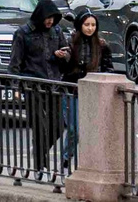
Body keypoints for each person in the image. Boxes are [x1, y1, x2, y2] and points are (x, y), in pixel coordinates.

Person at [11, 0, 66, 173]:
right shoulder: (23, 33)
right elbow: (15, 63)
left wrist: (62, 56)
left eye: (53, 18)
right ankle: (40, 165)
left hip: (53, 85)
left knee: (57, 126)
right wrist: (15, 87)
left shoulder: (57, 31)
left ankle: (39, 153)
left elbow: (66, 53)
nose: (50, 21)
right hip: (33, 85)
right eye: (47, 18)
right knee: (39, 126)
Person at [59, 10, 110, 171]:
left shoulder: (102, 45)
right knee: (74, 128)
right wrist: (64, 57)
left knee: (93, 129)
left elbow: (108, 68)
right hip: (72, 90)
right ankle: (66, 158)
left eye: (93, 25)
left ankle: (89, 163)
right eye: (86, 24)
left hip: (93, 91)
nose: (90, 28)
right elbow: (63, 69)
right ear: (80, 25)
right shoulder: (71, 43)